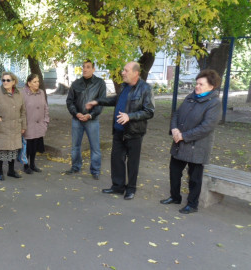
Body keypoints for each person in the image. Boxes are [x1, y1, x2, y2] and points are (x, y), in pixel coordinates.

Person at [86, 61, 155, 200]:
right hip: (119, 131)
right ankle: (118, 187)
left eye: (126, 70)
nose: (122, 73)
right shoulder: (124, 87)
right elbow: (116, 100)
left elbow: (149, 111)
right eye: (123, 70)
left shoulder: (145, 88)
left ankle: (131, 189)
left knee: (132, 162)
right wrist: (98, 101)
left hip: (134, 132)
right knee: (116, 159)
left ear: (136, 73)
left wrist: (130, 116)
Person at [160, 70, 222, 214]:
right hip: (179, 142)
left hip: (197, 146)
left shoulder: (214, 103)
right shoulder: (191, 97)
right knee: (174, 172)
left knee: (194, 177)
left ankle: (192, 204)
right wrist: (174, 129)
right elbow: (176, 113)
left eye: (201, 84)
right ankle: (175, 197)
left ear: (211, 86)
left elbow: (206, 127)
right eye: (196, 83)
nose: (197, 86)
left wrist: (183, 136)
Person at [64, 60, 106, 181]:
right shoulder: (76, 83)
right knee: (75, 146)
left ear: (93, 69)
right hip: (77, 120)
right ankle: (75, 167)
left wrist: (90, 115)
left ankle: (95, 170)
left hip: (92, 120)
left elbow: (101, 102)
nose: (85, 69)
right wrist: (76, 113)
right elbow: (69, 101)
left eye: (88, 67)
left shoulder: (100, 83)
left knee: (95, 147)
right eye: (83, 67)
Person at [0, 72, 27, 181]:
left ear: (14, 82)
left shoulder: (19, 94)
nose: (5, 82)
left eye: (8, 80)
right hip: (2, 126)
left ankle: (11, 170)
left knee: (12, 150)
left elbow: (23, 111)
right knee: (1, 150)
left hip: (15, 126)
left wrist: (23, 125)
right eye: (3, 80)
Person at [22, 74, 49, 174]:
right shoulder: (23, 93)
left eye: (38, 81)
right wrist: (23, 125)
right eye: (34, 82)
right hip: (28, 125)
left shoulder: (41, 92)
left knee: (35, 146)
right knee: (27, 147)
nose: (37, 83)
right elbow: (21, 111)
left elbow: (45, 108)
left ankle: (32, 164)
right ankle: (25, 165)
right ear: (29, 83)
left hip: (39, 125)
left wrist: (45, 122)